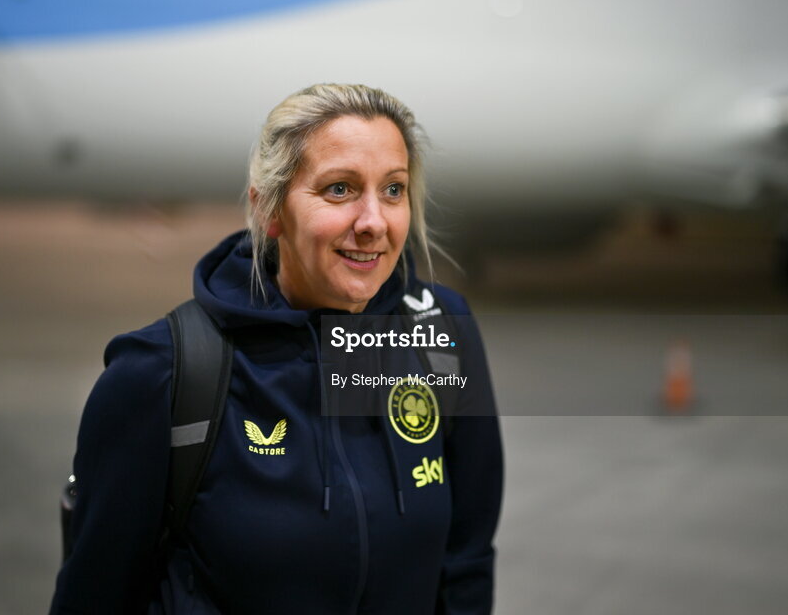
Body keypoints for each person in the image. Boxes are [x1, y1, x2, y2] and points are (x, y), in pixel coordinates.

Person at [49, 84, 503, 614]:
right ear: (269, 210)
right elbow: (95, 597)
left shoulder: (442, 333)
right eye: (339, 189)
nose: (374, 222)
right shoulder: (164, 373)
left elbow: (466, 561)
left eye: (393, 190)